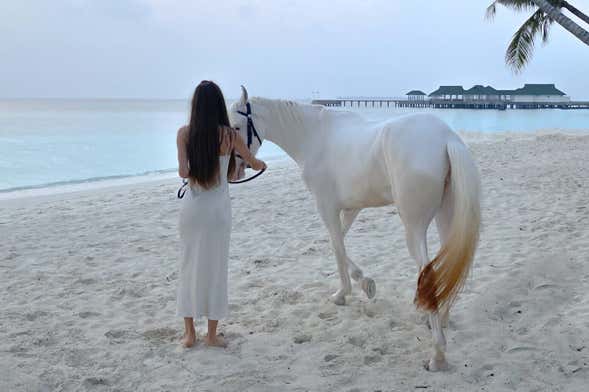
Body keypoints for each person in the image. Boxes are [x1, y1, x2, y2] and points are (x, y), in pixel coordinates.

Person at [176, 81, 266, 348]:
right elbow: (252, 162)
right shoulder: (229, 135)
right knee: (216, 269)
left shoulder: (184, 134)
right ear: (218, 105)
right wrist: (261, 164)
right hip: (217, 212)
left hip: (192, 209)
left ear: (195, 106)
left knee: (189, 266)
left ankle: (189, 334)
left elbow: (183, 172)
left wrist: (198, 169)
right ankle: (212, 335)